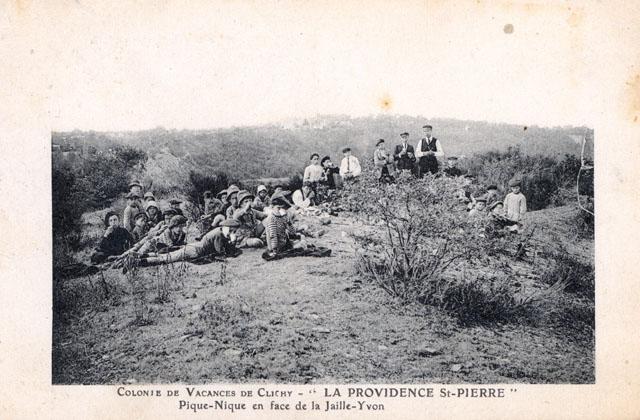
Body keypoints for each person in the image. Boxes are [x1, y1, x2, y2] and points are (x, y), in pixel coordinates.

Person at [136, 219, 242, 267]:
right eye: (233, 230)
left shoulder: (219, 231)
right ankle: (139, 261)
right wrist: (232, 242)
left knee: (166, 255)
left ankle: (142, 256)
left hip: (193, 248)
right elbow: (221, 253)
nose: (234, 233)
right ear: (228, 228)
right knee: (166, 259)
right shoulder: (219, 235)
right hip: (194, 251)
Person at [262, 191, 331, 261]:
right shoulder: (271, 218)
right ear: (272, 207)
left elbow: (292, 232)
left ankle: (306, 243)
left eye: (282, 208)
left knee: (302, 239)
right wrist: (274, 250)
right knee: (302, 246)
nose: (280, 210)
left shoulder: (283, 216)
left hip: (284, 243)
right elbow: (272, 235)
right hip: (277, 247)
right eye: (278, 208)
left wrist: (288, 222)